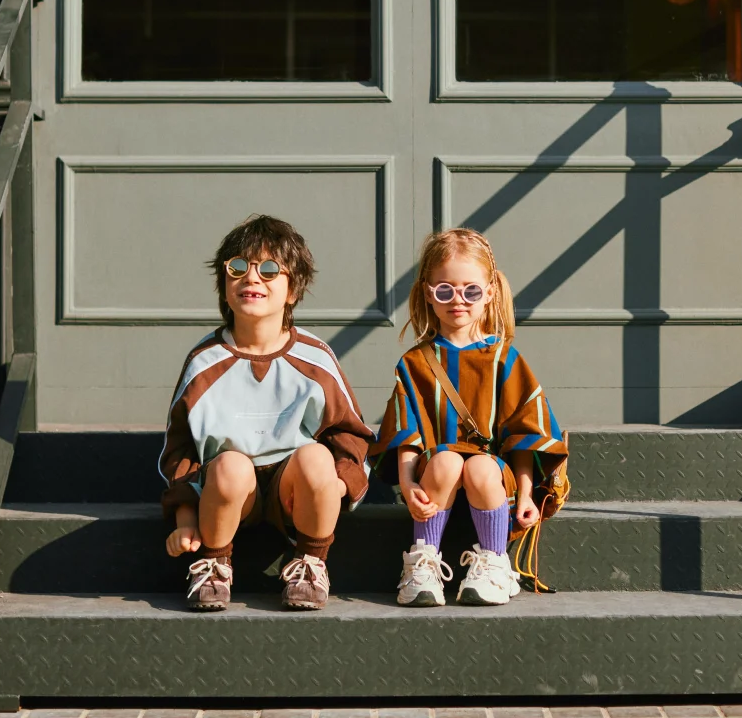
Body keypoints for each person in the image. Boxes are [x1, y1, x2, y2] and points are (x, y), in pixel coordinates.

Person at [158, 214, 374, 611]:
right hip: (229, 493)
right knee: (230, 467)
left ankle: (310, 562)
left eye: (269, 269)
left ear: (293, 290)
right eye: (237, 268)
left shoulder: (316, 360)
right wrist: (185, 515)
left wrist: (335, 487)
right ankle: (213, 563)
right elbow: (180, 452)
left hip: (293, 493)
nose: (251, 278)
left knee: (315, 457)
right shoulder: (204, 363)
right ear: (224, 287)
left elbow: (351, 437)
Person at [370, 228, 568, 606]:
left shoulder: (504, 358)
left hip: (493, 476)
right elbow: (407, 431)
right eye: (445, 290)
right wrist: (407, 483)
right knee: (446, 460)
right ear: (429, 294)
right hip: (436, 473)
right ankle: (423, 563)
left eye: (470, 290)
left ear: (490, 292)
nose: (457, 300)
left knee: (478, 467)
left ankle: (495, 562)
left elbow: (524, 434)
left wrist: (526, 494)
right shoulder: (415, 363)